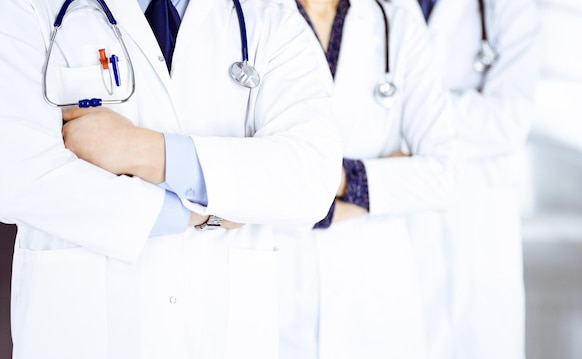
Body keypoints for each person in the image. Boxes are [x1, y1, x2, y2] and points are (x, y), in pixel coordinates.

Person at [0, 0, 343, 358]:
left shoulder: (269, 14)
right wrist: (199, 213)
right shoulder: (27, 8)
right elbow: (16, 174)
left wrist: (142, 150)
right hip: (81, 329)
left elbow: (312, 176)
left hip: (221, 333)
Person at [278, 0, 457, 358]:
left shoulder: (397, 22)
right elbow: (241, 170)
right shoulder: (252, 17)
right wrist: (379, 182)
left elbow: (444, 175)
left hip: (375, 293)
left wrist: (335, 181)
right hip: (278, 288)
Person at [408, 0, 541, 358]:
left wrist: (406, 107)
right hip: (396, 213)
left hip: (476, 217)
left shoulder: (509, 8)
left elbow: (509, 120)